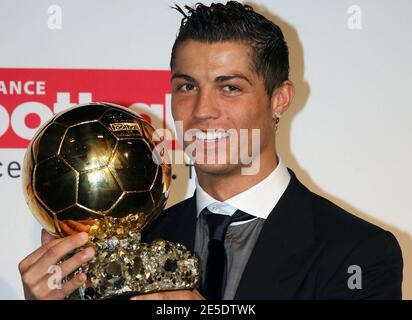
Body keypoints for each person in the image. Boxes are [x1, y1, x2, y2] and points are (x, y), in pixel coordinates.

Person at [19, 1, 403, 300]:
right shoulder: (129, 245)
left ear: (279, 99)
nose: (202, 111)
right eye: (187, 87)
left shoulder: (358, 251)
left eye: (230, 87)